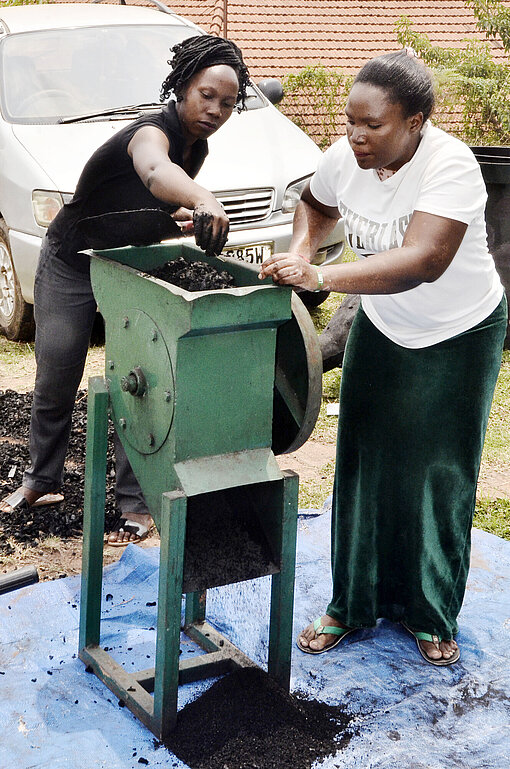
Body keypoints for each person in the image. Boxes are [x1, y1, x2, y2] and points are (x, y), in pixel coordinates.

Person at [259, 50, 507, 666]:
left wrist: (321, 274)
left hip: (459, 331)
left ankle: (430, 614)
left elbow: (423, 260)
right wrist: (300, 247)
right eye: (350, 121)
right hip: (385, 322)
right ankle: (351, 603)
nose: (357, 136)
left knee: (438, 471)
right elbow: (314, 205)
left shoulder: (451, 167)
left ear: (417, 121)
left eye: (374, 125)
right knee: (362, 460)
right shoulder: (345, 157)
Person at [0, 35, 250, 546]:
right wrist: (203, 197)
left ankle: (134, 503)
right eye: (207, 95)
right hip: (71, 259)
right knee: (58, 371)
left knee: (138, 380)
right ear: (182, 87)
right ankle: (40, 480)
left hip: (127, 265)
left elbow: (148, 197)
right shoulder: (148, 133)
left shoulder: (195, 144)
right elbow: (155, 171)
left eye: (228, 103)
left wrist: (170, 218)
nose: (215, 110)